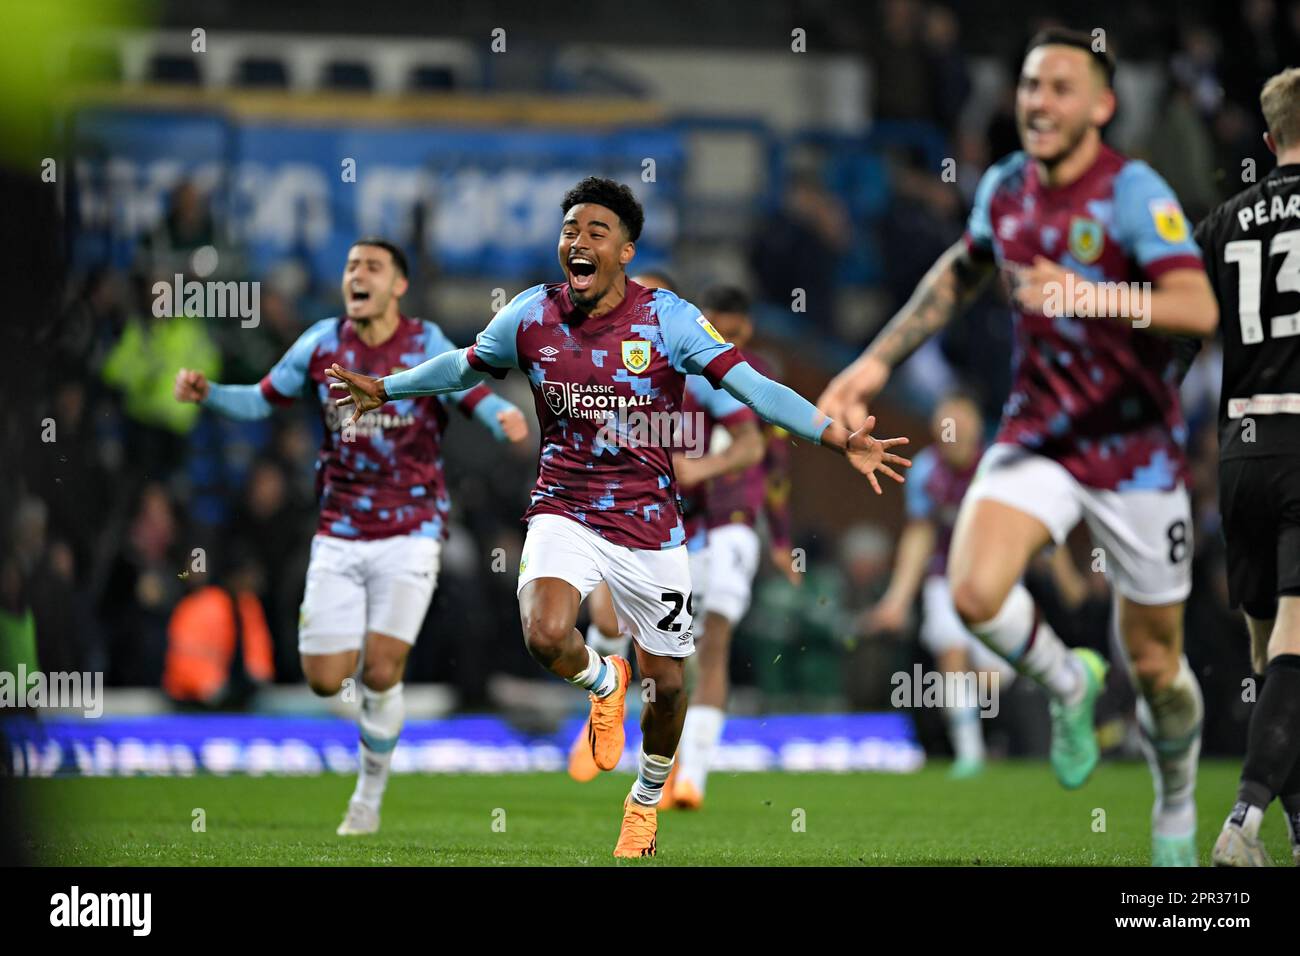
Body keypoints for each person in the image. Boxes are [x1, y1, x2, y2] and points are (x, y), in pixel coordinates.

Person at [328, 178, 911, 857]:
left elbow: (752, 389)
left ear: (626, 251)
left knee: (668, 686)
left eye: (595, 231)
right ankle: (604, 683)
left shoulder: (668, 320)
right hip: (564, 506)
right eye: (570, 229)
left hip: (651, 527)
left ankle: (645, 799)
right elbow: (464, 367)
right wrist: (388, 388)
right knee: (546, 633)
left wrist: (837, 437)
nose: (578, 241)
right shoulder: (529, 316)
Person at [818, 29, 1218, 866]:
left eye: (1062, 87)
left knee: (1156, 666)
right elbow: (963, 273)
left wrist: (1087, 293)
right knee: (971, 591)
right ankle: (1071, 684)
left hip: (1136, 448)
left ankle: (1175, 808)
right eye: (1032, 84)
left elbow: (1196, 307)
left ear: (1101, 107)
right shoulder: (1002, 187)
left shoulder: (1132, 190)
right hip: (1037, 430)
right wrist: (872, 363)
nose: (1040, 101)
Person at [175, 238, 528, 835]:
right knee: (323, 677)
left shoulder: (425, 345)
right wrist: (211, 393)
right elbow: (262, 401)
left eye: (372, 267)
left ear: (398, 286)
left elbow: (472, 395)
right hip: (339, 533)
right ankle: (361, 655)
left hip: (412, 530)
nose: (356, 275)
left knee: (384, 671)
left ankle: (367, 796)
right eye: (349, 267)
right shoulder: (320, 345)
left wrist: (502, 417)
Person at [1189, 66, 1300, 866]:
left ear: (1268, 141)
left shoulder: (1224, 220)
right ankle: (1244, 821)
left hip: (1239, 455)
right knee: (1298, 642)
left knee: (1268, 657)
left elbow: (1174, 322)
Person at [867, 392, 1014, 779]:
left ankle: (999, 726)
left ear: (976, 430)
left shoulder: (998, 468)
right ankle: (970, 754)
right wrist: (897, 599)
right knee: (951, 653)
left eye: (960, 429)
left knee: (993, 678)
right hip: (944, 576)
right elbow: (919, 536)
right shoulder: (927, 472)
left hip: (995, 573)